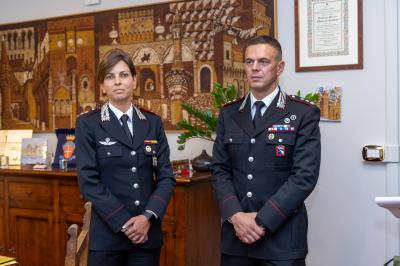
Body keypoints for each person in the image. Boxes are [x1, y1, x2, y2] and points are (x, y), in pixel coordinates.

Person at [211, 35, 321, 266]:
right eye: (249, 62)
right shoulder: (229, 113)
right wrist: (236, 216)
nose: (255, 68)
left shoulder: (302, 113)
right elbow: (220, 170)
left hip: (281, 240)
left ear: (279, 67)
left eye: (263, 62)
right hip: (236, 239)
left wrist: (261, 221)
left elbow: (304, 177)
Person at [75, 50, 175, 266]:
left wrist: (147, 217)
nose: (118, 82)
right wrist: (125, 223)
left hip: (146, 236)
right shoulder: (88, 124)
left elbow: (166, 177)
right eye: (110, 77)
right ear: (102, 86)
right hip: (107, 237)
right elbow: (88, 182)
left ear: (134, 80)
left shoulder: (152, 122)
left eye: (124, 75)